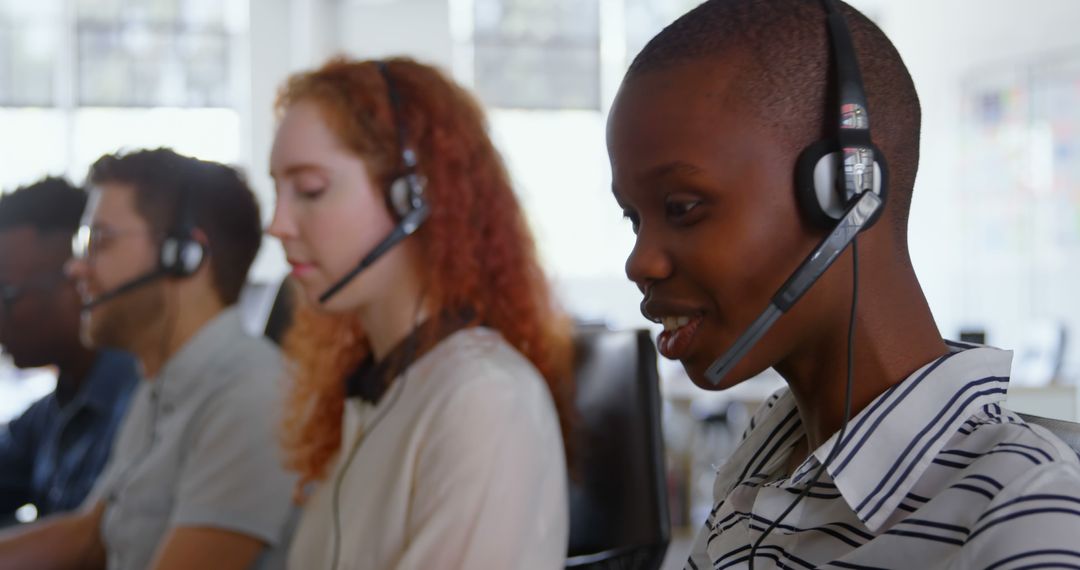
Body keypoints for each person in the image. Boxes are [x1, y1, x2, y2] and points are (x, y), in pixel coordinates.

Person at [607, 0, 1080, 568]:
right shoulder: (768, 450)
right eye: (634, 218)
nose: (640, 263)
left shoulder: (1027, 515)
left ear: (846, 192)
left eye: (681, 207)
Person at [268, 57, 575, 569]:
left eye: (310, 190)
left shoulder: (482, 400)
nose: (277, 224)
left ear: (415, 196)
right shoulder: (373, 392)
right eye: (277, 189)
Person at [0, 149, 296, 570]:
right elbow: (90, 536)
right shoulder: (161, 387)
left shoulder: (250, 398)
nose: (76, 269)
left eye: (98, 242)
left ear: (185, 254)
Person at [0, 177, 139, 526]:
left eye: (8, 296)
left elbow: (92, 549)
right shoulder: (54, 409)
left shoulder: (136, 408)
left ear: (79, 281)